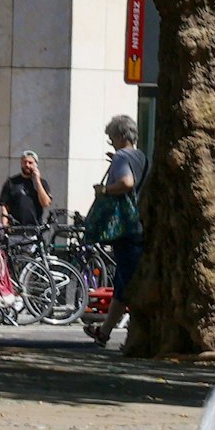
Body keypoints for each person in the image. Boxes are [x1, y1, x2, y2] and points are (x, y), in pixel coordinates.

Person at [90, 115, 148, 345]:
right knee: (123, 282)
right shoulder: (140, 156)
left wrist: (104, 190)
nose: (111, 141)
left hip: (126, 227)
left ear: (121, 136)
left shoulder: (122, 157)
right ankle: (104, 332)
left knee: (130, 281)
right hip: (141, 224)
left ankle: (138, 334)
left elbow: (126, 183)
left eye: (111, 137)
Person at [0, 151, 53, 227]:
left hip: (34, 229)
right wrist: (4, 224)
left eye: (30, 163)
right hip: (15, 229)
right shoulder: (11, 182)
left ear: (36, 165)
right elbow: (4, 205)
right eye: (24, 162)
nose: (27, 165)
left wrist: (37, 181)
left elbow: (45, 203)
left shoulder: (42, 183)